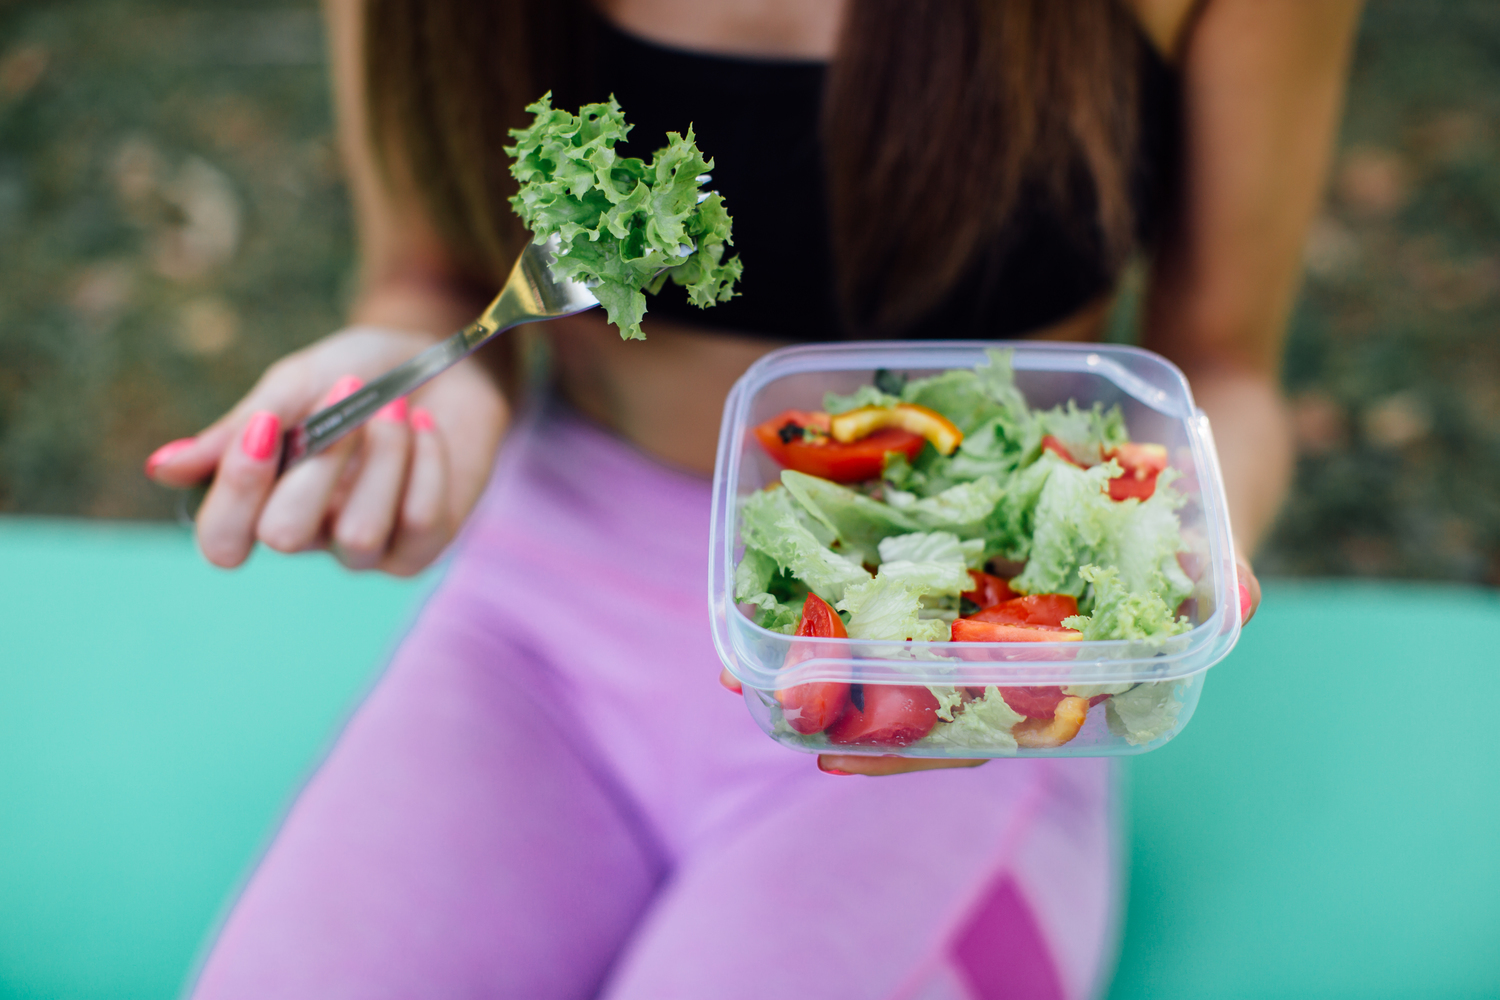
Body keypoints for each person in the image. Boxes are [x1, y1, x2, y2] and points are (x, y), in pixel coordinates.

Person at [146, 1, 1362, 996]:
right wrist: (416, 372)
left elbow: (1228, 373)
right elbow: (429, 273)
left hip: (961, 672)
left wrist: (1166, 567)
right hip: (542, 633)